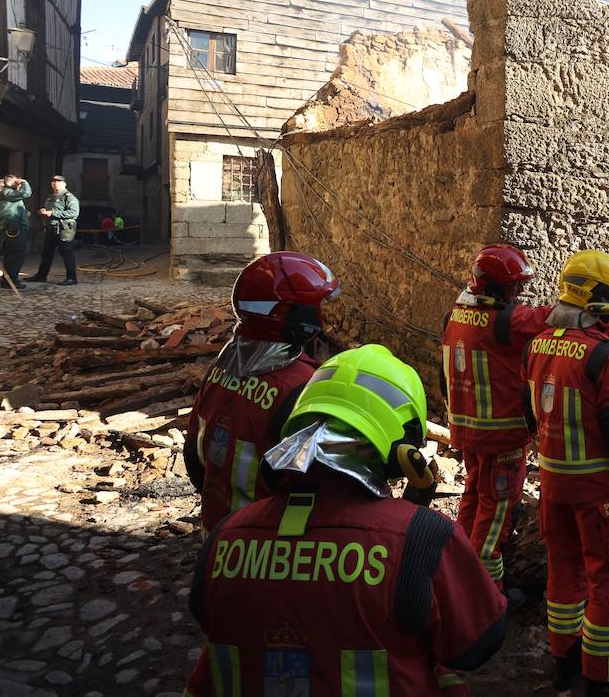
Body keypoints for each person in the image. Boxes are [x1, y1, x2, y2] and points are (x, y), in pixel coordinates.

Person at [183, 343, 508, 696]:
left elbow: (208, 618)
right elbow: (476, 644)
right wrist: (415, 518)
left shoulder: (225, 536)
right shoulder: (421, 538)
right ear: (402, 449)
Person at [522, 249, 609, 697]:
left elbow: (529, 414)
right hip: (600, 493)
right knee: (608, 580)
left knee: (563, 574)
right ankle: (604, 679)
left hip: (553, 484)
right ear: (595, 298)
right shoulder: (605, 356)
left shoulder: (538, 343)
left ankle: (565, 662)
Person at [184, 252, 340, 532]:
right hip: (267, 549)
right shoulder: (300, 388)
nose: (324, 316)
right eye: (318, 307)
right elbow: (317, 489)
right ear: (287, 314)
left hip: (216, 537)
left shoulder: (220, 369)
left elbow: (194, 459)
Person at [442, 244, 550, 596]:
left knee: (473, 501)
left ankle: (457, 576)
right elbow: (557, 317)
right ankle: (484, 598)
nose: (518, 294)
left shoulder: (456, 315)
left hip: (467, 433)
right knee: (496, 514)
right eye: (513, 287)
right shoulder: (505, 321)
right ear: (492, 287)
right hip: (501, 439)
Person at [29, 175, 80, 285]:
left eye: (58, 181)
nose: (55, 183)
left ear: (64, 184)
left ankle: (71, 278)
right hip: (50, 228)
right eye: (53, 181)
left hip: (64, 229)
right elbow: (49, 211)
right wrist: (44, 212)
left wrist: (53, 213)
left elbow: (74, 213)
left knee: (67, 253)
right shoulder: (50, 197)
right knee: (46, 253)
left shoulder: (69, 197)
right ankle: (41, 276)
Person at [0, 175, 31, 290]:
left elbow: (13, 209)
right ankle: (11, 280)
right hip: (14, 229)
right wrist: (23, 181)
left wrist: (25, 214)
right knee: (17, 255)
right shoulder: (7, 192)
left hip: (14, 228)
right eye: (17, 182)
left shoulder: (8, 195)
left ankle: (8, 280)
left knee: (11, 256)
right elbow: (26, 193)